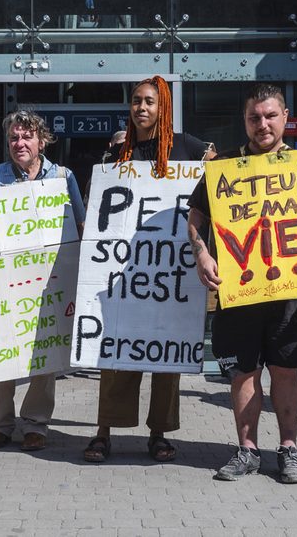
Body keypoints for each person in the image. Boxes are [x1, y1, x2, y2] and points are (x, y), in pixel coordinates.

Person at [186, 83, 297, 483]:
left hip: (291, 291)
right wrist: (202, 253)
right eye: (255, 117)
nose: (263, 124)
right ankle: (248, 450)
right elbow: (195, 218)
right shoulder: (224, 168)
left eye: (270, 116)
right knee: (244, 372)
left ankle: (289, 449)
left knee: (286, 371)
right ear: (245, 122)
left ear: (285, 118)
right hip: (240, 289)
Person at [82, 74, 214, 464]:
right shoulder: (119, 149)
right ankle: (104, 431)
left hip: (168, 273)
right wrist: (110, 156)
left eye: (150, 102)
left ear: (164, 107)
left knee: (165, 355)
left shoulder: (185, 146)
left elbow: (216, 178)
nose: (142, 108)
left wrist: (212, 162)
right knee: (115, 353)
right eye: (137, 101)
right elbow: (97, 204)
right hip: (122, 274)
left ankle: (158, 434)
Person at [0, 109, 85, 452]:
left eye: (26, 136)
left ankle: (36, 425)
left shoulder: (63, 176)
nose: (19, 143)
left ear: (41, 140)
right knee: (0, 351)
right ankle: (0, 424)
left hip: (48, 282)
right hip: (4, 282)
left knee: (44, 354)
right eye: (14, 137)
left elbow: (79, 224)